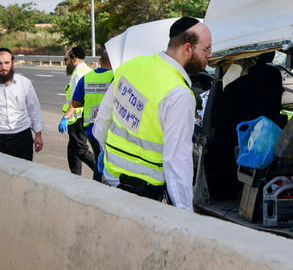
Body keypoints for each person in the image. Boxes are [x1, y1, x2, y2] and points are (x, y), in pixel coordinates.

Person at [93, 17, 212, 210]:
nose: (210, 55)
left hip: (111, 180)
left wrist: (107, 160)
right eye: (206, 49)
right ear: (187, 48)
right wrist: (186, 213)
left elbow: (102, 122)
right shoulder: (179, 94)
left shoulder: (131, 66)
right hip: (143, 196)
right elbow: (177, 162)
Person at [70, 49, 113, 181]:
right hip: (109, 129)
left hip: (91, 128)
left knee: (99, 160)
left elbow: (75, 103)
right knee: (109, 163)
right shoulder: (116, 77)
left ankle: (97, 189)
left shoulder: (87, 77)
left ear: (100, 61)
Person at [59, 46, 94, 175]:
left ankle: (100, 172)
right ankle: (75, 175)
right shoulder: (87, 70)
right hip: (81, 117)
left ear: (74, 60)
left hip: (78, 118)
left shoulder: (78, 74)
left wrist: (65, 117)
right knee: (73, 149)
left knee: (80, 150)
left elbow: (76, 100)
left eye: (66, 59)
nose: (65, 63)